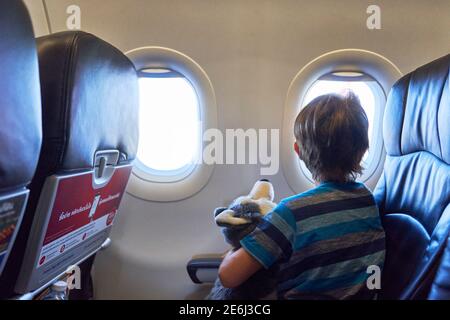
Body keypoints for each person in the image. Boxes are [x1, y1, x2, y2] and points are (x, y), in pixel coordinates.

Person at [218, 92, 386, 300]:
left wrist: (232, 252)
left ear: (298, 150)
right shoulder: (368, 200)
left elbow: (228, 276)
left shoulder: (291, 213)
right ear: (362, 152)